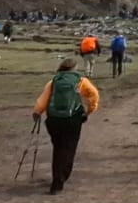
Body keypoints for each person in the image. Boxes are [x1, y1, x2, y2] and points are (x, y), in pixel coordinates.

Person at [32, 58, 101, 195]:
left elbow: (43, 100)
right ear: (74, 69)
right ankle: (61, 178)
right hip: (73, 119)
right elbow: (94, 95)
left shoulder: (54, 81)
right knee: (69, 148)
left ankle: (56, 179)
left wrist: (37, 112)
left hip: (54, 120)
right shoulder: (81, 81)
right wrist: (89, 111)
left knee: (58, 148)